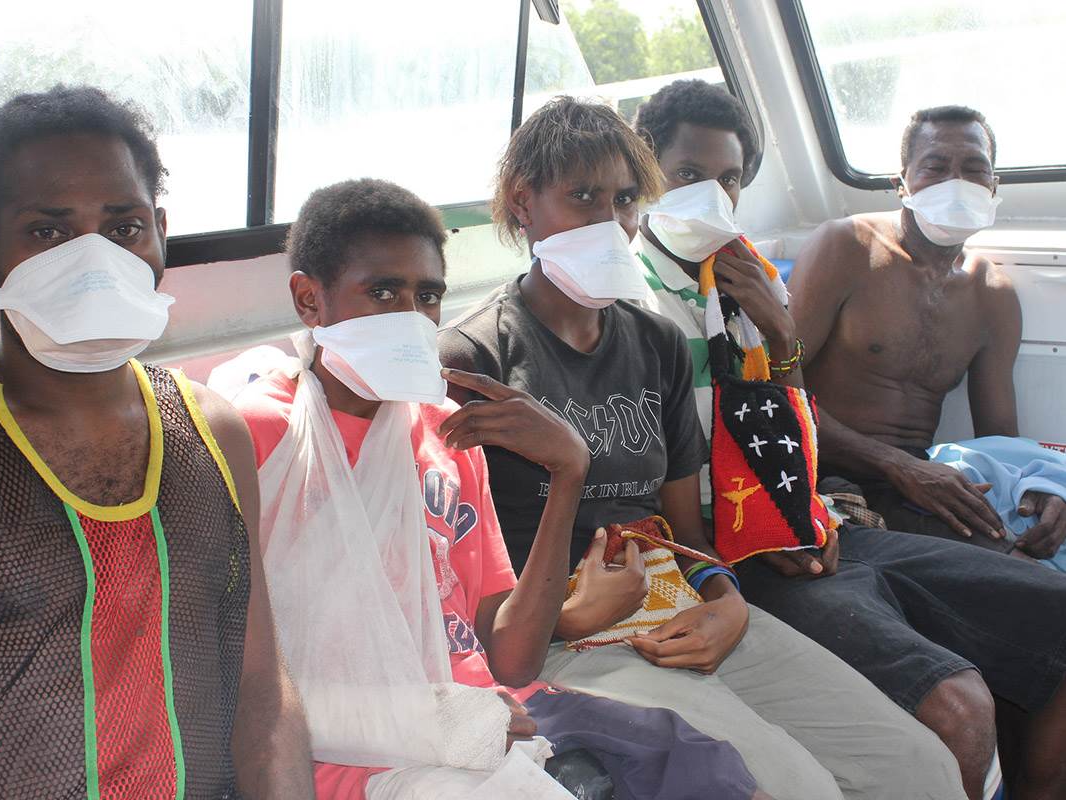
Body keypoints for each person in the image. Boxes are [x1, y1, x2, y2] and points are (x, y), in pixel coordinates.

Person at [440, 94, 966, 800]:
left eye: (625, 199)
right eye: (583, 196)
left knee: (917, 765)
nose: (610, 219)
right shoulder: (477, 358)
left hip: (678, 601)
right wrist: (569, 615)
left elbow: (689, 532)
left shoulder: (654, 341)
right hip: (561, 636)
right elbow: (456, 580)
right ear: (523, 203)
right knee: (798, 788)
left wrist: (727, 600)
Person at [229, 178, 765, 800]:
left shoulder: (447, 434)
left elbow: (510, 659)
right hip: (355, 749)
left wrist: (569, 469)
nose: (409, 314)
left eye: (426, 295)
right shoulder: (259, 435)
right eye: (381, 292)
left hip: (496, 710)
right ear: (308, 299)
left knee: (705, 766)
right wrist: (436, 721)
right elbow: (241, 668)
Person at [631, 80, 1066, 800]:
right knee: (960, 707)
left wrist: (777, 331)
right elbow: (683, 469)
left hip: (810, 516)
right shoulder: (632, 299)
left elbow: (781, 415)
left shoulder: (746, 279)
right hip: (767, 527)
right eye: (688, 176)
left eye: (730, 179)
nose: (713, 195)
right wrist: (781, 520)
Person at [0, 86, 313, 799]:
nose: (95, 261)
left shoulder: (215, 432)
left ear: (159, 232)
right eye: (50, 232)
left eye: (122, 228)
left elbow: (260, 691)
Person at [789, 105, 1066, 559]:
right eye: (936, 167)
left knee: (1031, 549)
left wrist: (1042, 486)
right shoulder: (847, 246)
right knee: (1009, 570)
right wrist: (896, 465)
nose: (956, 183)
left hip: (924, 474)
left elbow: (1000, 438)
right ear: (902, 184)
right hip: (826, 469)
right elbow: (774, 391)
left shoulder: (991, 292)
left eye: (974, 169)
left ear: (993, 187)